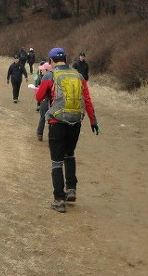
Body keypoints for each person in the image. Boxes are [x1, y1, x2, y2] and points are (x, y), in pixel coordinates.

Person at [35, 47, 99, 213]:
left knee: (56, 162)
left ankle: (59, 200)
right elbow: (87, 100)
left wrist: (44, 90)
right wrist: (93, 121)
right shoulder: (78, 76)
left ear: (51, 60)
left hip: (57, 122)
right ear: (65, 58)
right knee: (69, 154)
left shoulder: (49, 75)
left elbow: (39, 97)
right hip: (75, 123)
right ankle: (71, 189)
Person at [33, 61, 52, 140]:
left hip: (46, 101)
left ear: (47, 70)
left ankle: (40, 134)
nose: (41, 71)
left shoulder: (45, 78)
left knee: (43, 118)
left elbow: (41, 93)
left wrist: (37, 90)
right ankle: (50, 137)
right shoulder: (55, 77)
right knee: (51, 120)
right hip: (52, 102)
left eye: (43, 69)